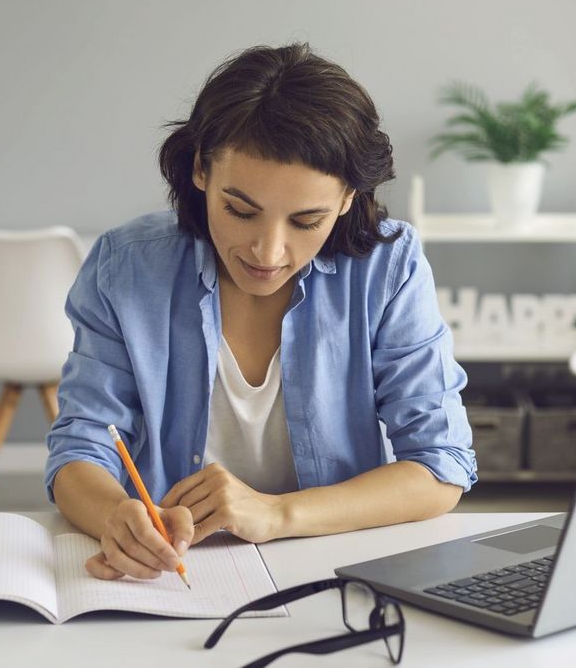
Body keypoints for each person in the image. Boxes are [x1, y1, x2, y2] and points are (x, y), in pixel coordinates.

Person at [45, 43, 476, 582]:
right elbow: (81, 445)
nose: (267, 253)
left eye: (305, 221)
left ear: (347, 198)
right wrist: (115, 518)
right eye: (240, 211)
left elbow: (441, 467)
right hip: (175, 576)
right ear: (201, 168)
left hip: (336, 567)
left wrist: (275, 514)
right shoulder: (126, 266)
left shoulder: (389, 267)